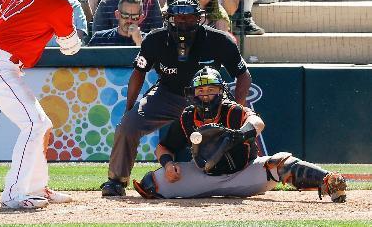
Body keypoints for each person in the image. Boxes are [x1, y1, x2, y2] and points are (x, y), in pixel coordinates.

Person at [100, 0, 252, 196]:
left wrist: (235, 109)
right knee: (127, 126)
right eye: (177, 18)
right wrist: (130, 109)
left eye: (188, 17)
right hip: (167, 94)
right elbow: (138, 72)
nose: (182, 22)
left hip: (207, 99)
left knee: (234, 134)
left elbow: (244, 75)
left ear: (199, 18)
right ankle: (116, 180)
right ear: (168, 18)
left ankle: (238, 175)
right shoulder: (155, 39)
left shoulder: (219, 40)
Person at [0, 0, 89, 209]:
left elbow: (5, 14)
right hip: (0, 67)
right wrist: (74, 34)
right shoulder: (59, 6)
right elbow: (70, 48)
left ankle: (37, 187)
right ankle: (13, 194)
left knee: (42, 125)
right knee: (34, 125)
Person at [133, 67, 347, 203]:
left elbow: (257, 122)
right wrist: (169, 165)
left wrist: (239, 134)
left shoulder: (233, 110)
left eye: (211, 90)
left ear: (221, 91)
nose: (206, 96)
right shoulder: (187, 117)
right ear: (193, 93)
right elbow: (163, 147)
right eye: (201, 91)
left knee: (280, 162)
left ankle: (329, 181)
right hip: (202, 176)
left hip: (245, 173)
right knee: (151, 183)